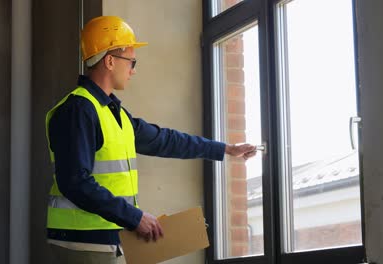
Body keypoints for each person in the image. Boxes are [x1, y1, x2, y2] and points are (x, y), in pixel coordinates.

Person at [45, 16, 257, 264]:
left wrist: (225, 149)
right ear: (110, 61)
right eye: (131, 61)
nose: (133, 70)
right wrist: (134, 217)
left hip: (107, 238)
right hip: (84, 239)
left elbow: (165, 140)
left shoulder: (115, 113)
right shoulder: (78, 110)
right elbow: (75, 182)